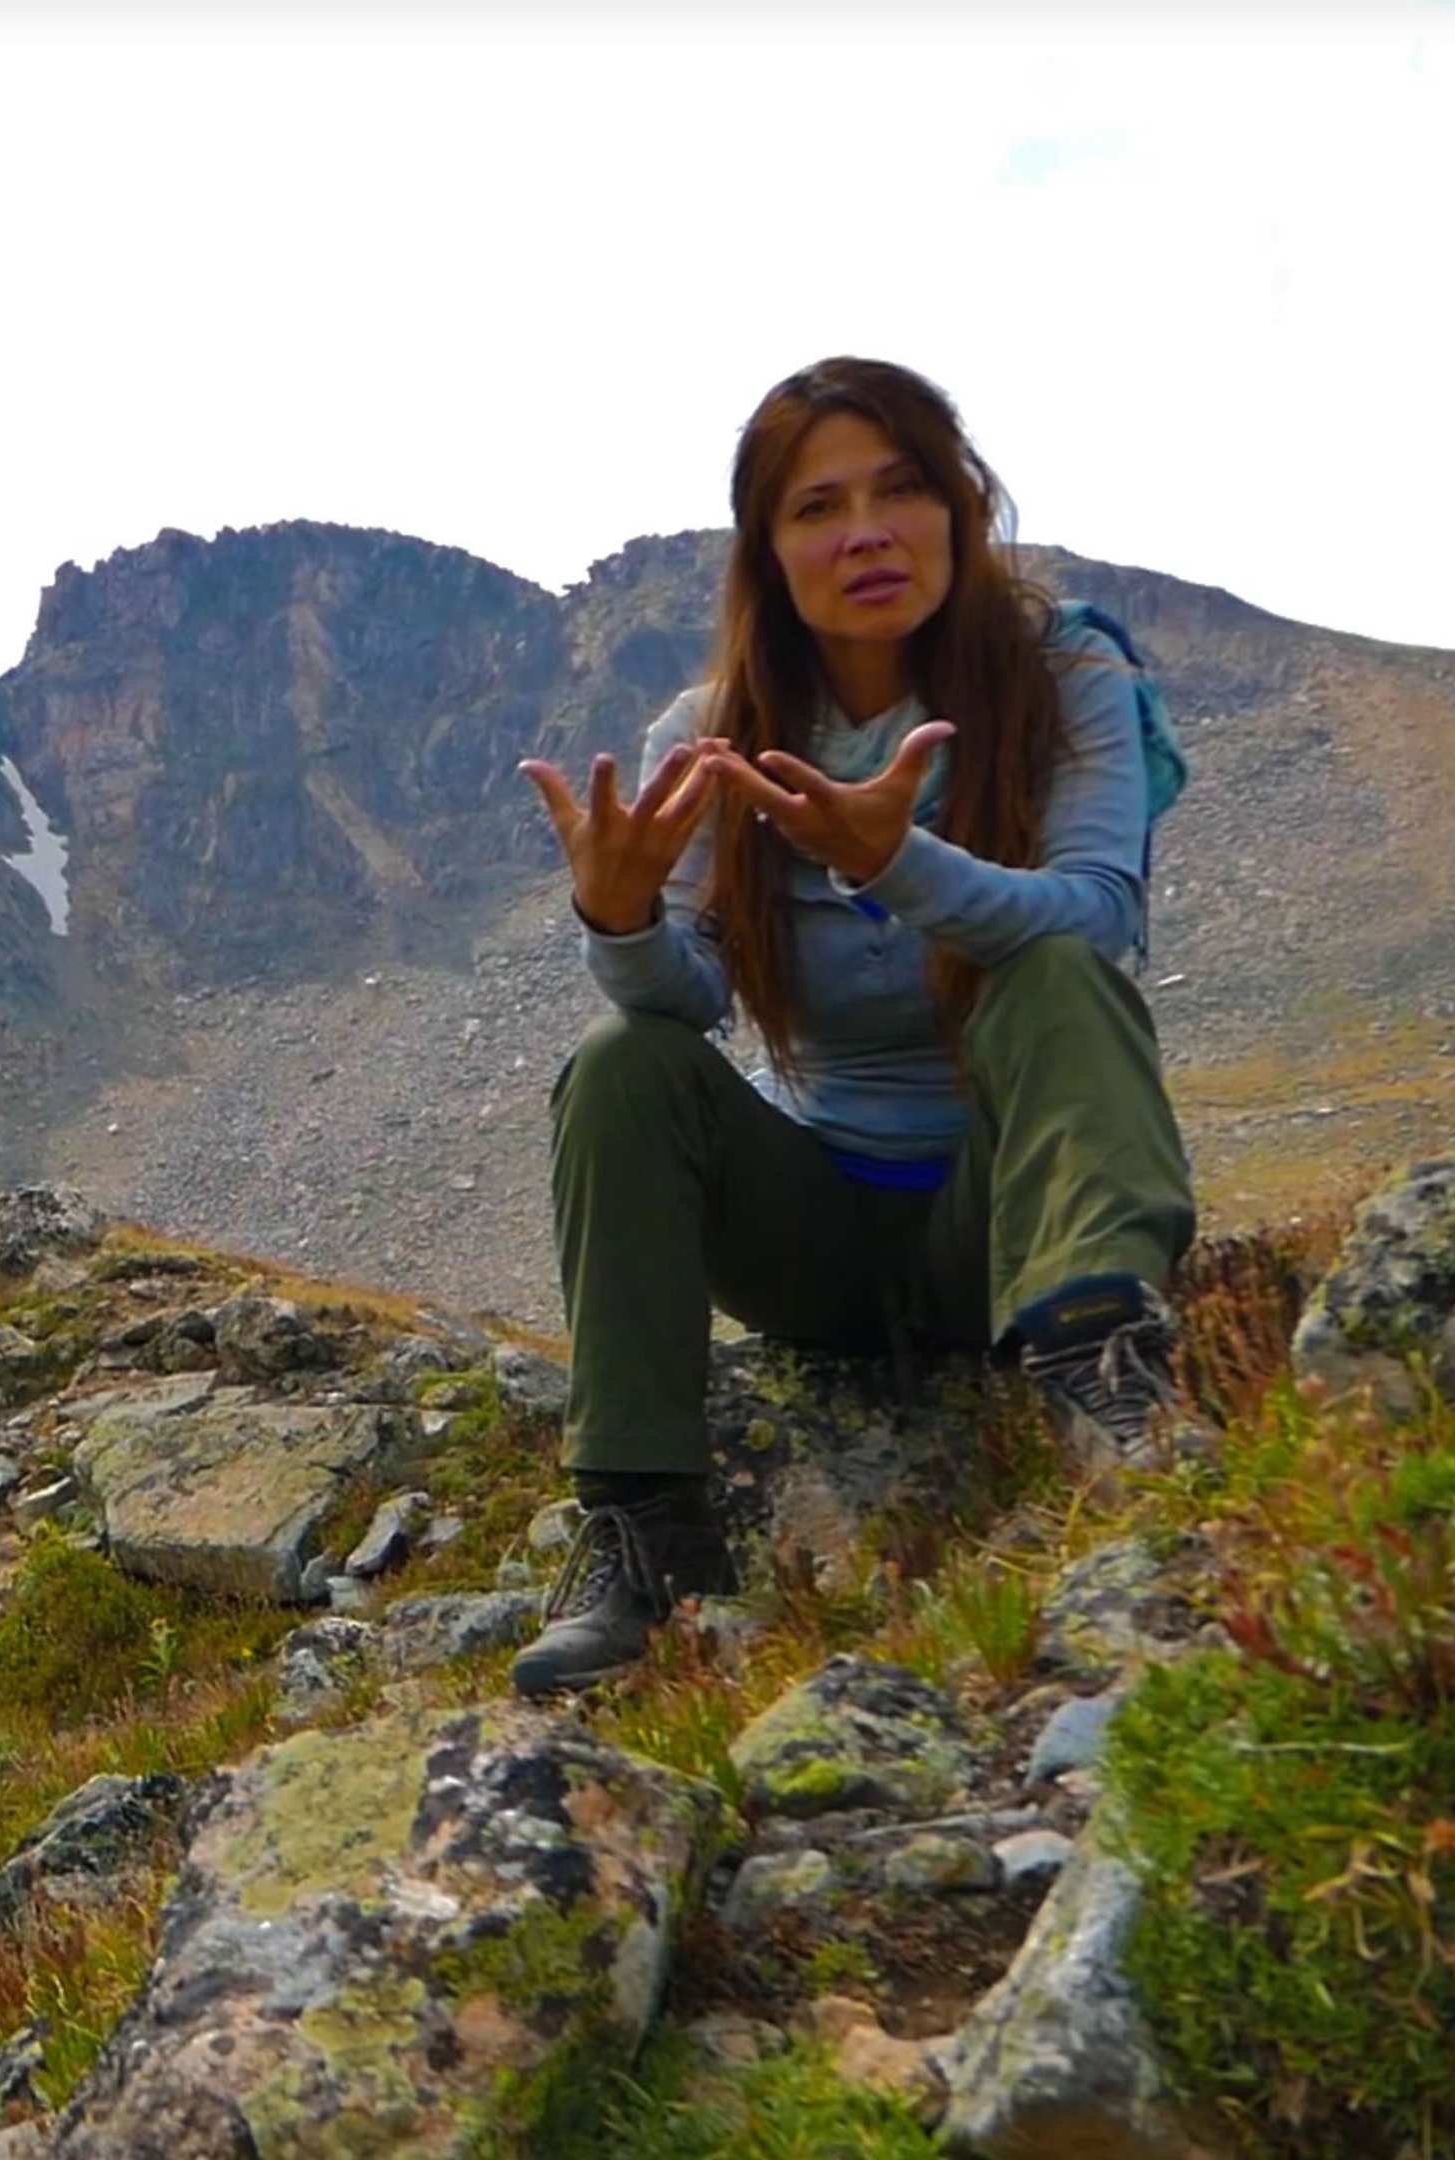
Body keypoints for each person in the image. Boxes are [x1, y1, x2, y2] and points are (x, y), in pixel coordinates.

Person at [506, 355, 1200, 1697]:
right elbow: (688, 1005)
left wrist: (897, 864)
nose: (867, 531)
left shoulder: (1070, 680)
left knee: (1053, 972)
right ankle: (642, 1531)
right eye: (818, 508)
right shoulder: (715, 736)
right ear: (770, 553)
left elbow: (1099, 916)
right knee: (621, 1066)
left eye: (900, 490)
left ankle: (1102, 1369)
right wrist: (625, 923)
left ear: (959, 505)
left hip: (1014, 1207)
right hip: (818, 1237)